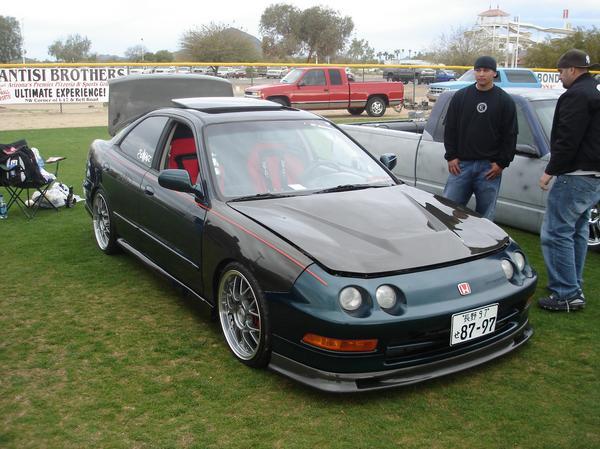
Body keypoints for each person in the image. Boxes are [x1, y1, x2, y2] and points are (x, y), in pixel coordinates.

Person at [538, 49, 600, 312]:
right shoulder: (594, 91)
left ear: (572, 70)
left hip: (575, 175)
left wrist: (550, 170)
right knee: (577, 231)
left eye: (561, 72)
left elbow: (568, 138)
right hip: (592, 175)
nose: (560, 76)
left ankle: (566, 293)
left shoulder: (576, 95)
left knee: (556, 232)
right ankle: (572, 284)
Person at [442, 56, 518, 220]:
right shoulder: (461, 97)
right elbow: (450, 129)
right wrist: (451, 156)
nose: (481, 74)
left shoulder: (505, 101)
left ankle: (483, 238)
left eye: (486, 70)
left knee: (485, 217)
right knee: (448, 211)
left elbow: (510, 135)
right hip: (461, 166)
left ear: (494, 73)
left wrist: (501, 163)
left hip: (489, 169)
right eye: (478, 70)